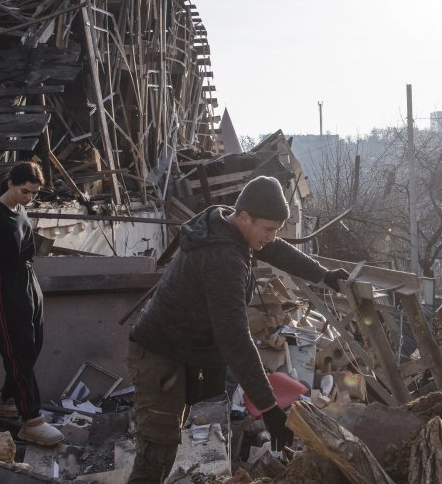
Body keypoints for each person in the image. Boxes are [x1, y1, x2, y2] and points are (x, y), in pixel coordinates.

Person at [126, 176, 350, 484]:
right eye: (268, 229)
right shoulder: (223, 258)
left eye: (276, 229)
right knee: (156, 454)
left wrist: (324, 276)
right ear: (244, 217)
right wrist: (270, 408)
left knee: (166, 446)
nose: (272, 237)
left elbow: (277, 250)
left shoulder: (225, 224)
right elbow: (234, 339)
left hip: (180, 351)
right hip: (159, 356)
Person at [0, 161, 64, 446]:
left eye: (34, 193)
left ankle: (8, 399)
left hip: (27, 280)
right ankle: (31, 420)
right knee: (17, 352)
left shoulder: (20, 209)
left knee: (33, 345)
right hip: (3, 285)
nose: (29, 198)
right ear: (10, 183)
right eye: (25, 191)